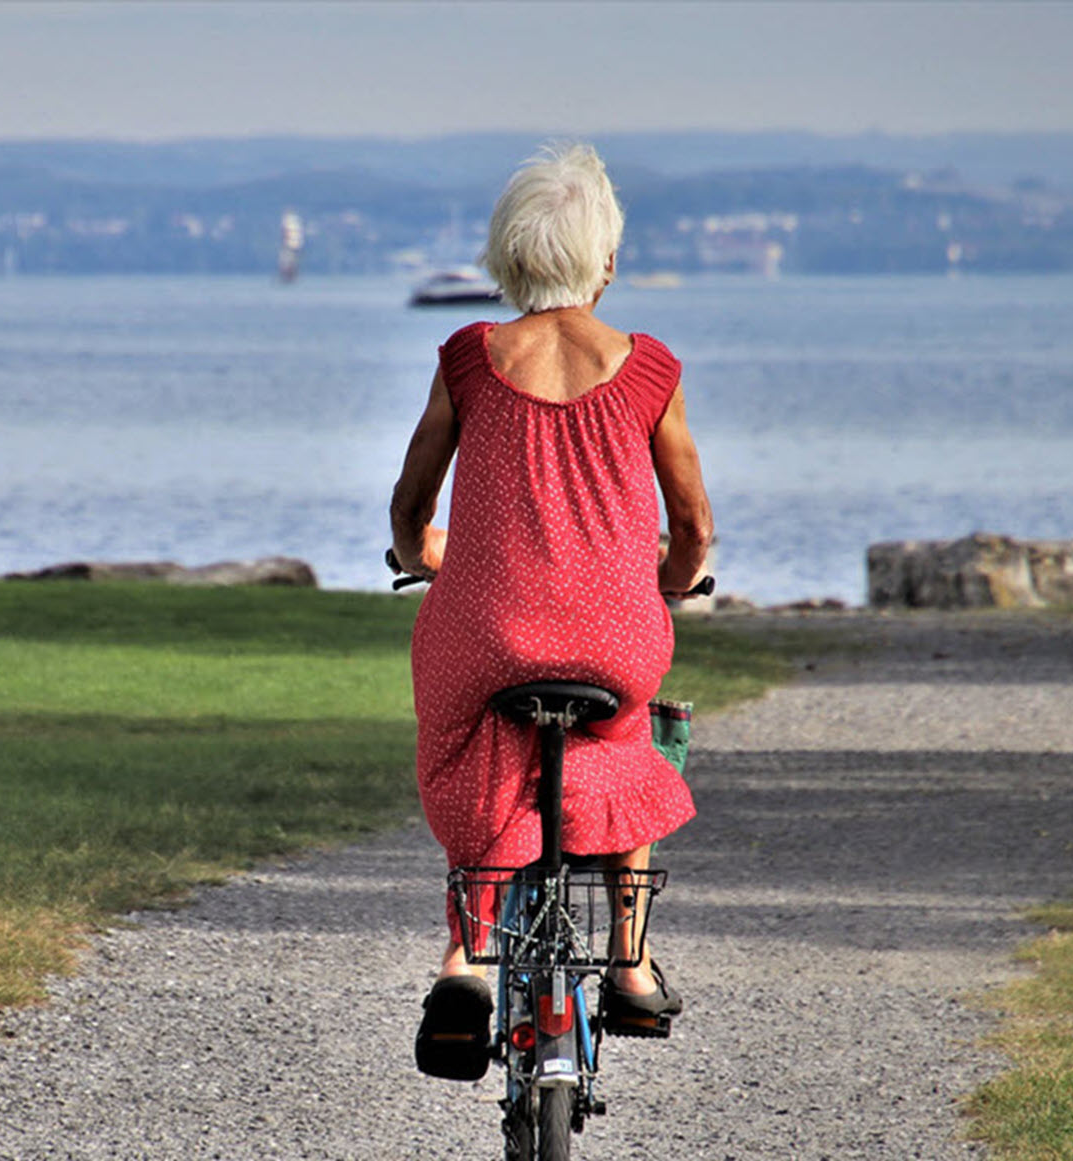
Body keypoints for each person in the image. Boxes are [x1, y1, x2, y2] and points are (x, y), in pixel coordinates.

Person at [389, 142, 714, 1080]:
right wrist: (675, 578)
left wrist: (424, 557)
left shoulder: (470, 358)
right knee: (625, 743)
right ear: (604, 260)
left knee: (475, 734)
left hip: (487, 633)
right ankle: (630, 957)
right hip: (613, 638)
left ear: (505, 257)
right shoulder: (650, 369)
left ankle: (465, 961)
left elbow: (412, 509)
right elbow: (691, 524)